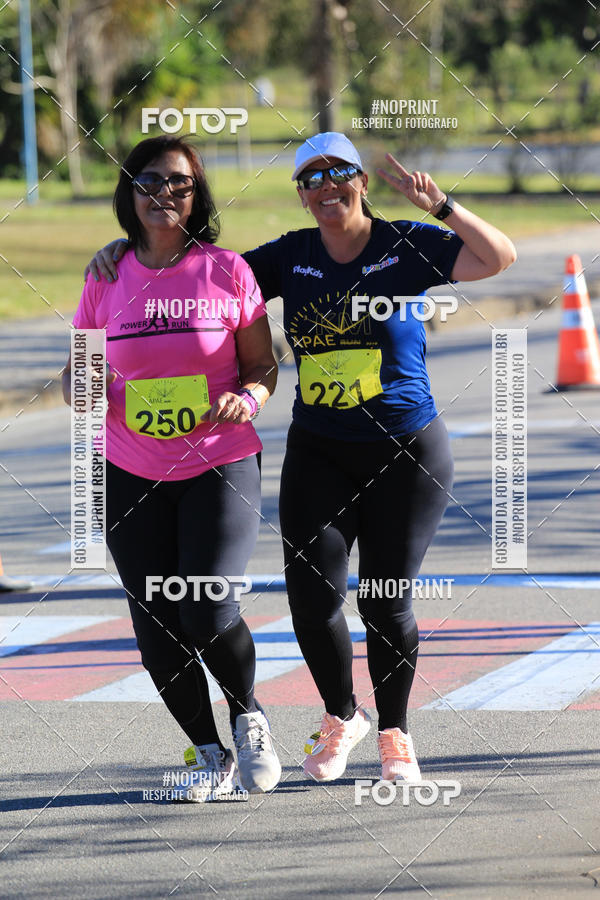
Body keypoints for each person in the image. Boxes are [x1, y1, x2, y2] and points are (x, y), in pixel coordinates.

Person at [86, 132, 516, 785]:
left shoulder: (404, 242)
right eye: (310, 178)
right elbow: (199, 270)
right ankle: (342, 716)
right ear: (301, 193)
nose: (325, 187)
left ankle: (396, 733)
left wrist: (444, 205)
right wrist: (124, 251)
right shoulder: (292, 255)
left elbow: (498, 258)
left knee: (384, 599)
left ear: (360, 180)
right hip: (320, 448)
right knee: (312, 598)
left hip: (405, 447)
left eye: (338, 172)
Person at [65, 135, 281, 800]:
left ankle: (249, 715)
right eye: (149, 181)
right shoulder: (105, 275)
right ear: (129, 192)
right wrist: (80, 383)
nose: (163, 194)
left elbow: (262, 366)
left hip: (219, 462)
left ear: (198, 196)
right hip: (131, 469)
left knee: (206, 606)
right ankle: (209, 754)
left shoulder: (225, 272)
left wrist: (248, 398)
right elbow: (82, 368)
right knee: (155, 615)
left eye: (179, 184)